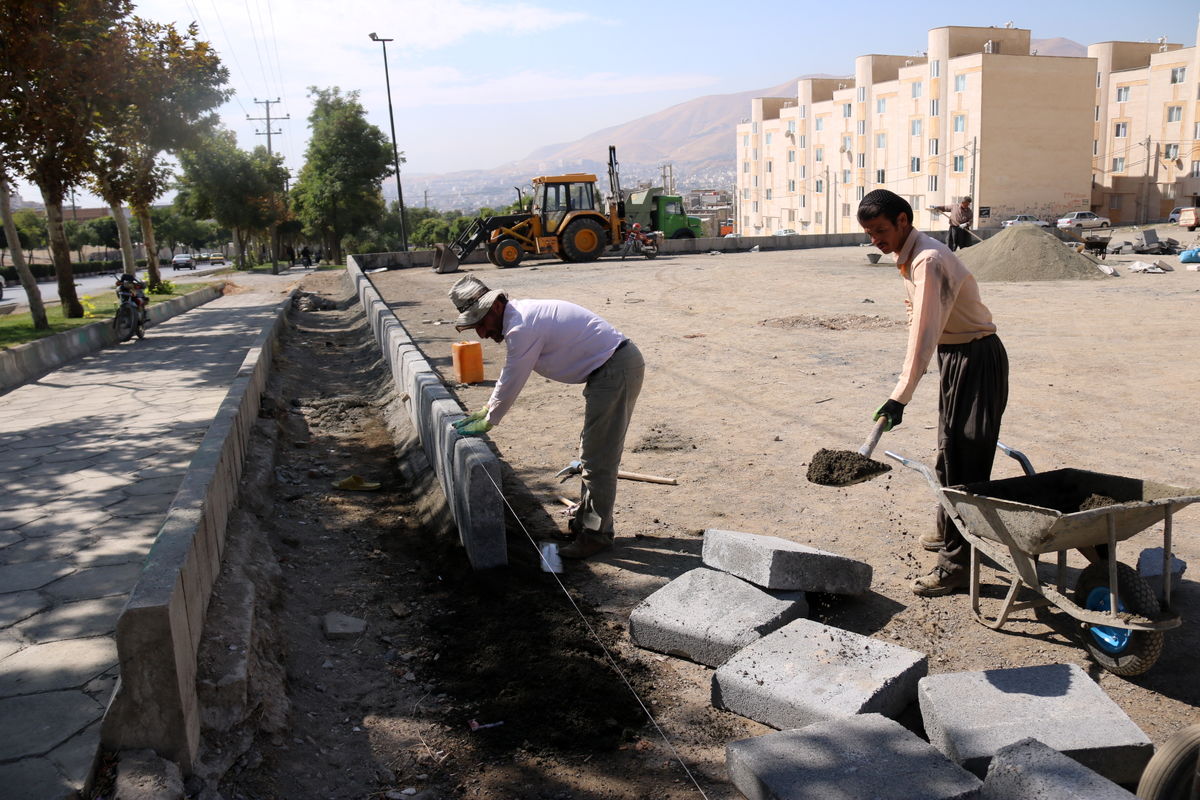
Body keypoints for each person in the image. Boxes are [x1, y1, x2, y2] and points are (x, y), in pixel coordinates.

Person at [857, 189, 1008, 597]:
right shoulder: (909, 257)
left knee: (966, 461)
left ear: (904, 220)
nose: (877, 241)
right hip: (955, 357)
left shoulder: (929, 260)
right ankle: (950, 533)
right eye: (870, 234)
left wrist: (899, 396)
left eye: (882, 230)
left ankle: (957, 564)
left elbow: (924, 335)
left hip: (976, 358)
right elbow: (919, 323)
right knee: (949, 451)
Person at [448, 275, 645, 560]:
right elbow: (508, 375)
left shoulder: (522, 326)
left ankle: (597, 535)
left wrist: (490, 418)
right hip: (609, 369)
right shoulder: (521, 317)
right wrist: (487, 409)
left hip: (614, 370)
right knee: (591, 453)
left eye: (480, 324)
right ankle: (584, 523)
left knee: (598, 459)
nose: (481, 334)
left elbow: (514, 376)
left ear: (495, 309)